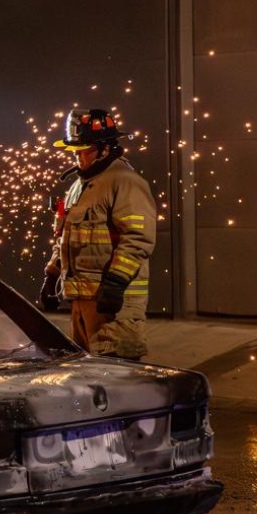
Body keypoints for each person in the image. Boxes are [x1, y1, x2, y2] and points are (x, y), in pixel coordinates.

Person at [43, 109, 156, 359]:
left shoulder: (125, 181)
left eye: (84, 150)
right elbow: (66, 235)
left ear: (105, 148)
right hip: (82, 301)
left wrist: (116, 282)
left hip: (115, 303)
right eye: (75, 151)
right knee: (87, 377)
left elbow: (137, 238)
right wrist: (51, 274)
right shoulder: (78, 187)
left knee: (118, 376)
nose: (78, 157)